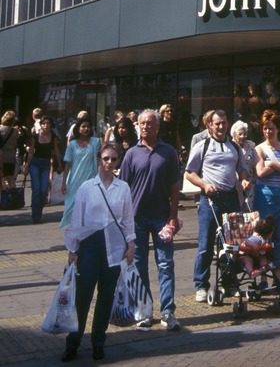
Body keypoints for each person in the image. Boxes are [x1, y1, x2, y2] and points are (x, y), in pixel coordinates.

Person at [61, 141, 135, 363]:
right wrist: (73, 249)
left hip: (114, 247)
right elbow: (77, 220)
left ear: (118, 161)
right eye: (105, 158)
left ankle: (98, 343)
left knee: (106, 296)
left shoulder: (123, 188)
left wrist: (131, 245)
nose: (109, 163)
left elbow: (128, 220)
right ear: (98, 160)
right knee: (82, 297)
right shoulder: (86, 188)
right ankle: (72, 343)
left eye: (113, 159)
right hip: (90, 246)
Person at [119, 108, 181, 331]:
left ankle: (168, 312)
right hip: (136, 220)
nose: (145, 126)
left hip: (162, 219)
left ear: (158, 126)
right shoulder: (131, 154)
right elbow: (122, 188)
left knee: (166, 265)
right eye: (142, 123)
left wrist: (173, 217)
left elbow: (175, 187)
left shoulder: (169, 152)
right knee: (139, 266)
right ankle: (144, 311)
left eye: (149, 123)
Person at [184, 109, 250, 302]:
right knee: (205, 244)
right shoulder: (202, 146)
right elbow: (189, 172)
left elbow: (243, 170)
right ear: (210, 125)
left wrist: (244, 180)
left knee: (232, 244)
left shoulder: (234, 147)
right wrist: (204, 185)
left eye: (223, 123)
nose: (221, 126)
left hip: (231, 198)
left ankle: (228, 282)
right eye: (217, 123)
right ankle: (201, 285)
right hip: (210, 200)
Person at [253, 109, 280, 289]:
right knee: (263, 239)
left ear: (278, 129)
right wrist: (279, 165)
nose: (268, 131)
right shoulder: (259, 149)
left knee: (279, 238)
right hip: (264, 198)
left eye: (271, 128)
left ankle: (277, 277)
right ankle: (262, 279)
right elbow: (260, 172)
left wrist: (271, 163)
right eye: (265, 128)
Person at [60, 120, 101, 228]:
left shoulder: (95, 142)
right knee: (72, 206)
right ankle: (74, 231)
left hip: (90, 178)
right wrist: (64, 183)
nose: (86, 129)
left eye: (88, 126)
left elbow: (99, 161)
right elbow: (68, 164)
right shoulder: (72, 145)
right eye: (83, 126)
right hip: (74, 180)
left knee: (88, 206)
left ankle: (86, 231)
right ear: (78, 129)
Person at [24, 115, 63, 223]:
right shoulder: (35, 137)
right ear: (40, 125)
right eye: (43, 124)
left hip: (46, 164)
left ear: (50, 125)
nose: (45, 126)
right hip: (35, 163)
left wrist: (60, 164)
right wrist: (27, 165)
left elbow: (56, 151)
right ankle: (35, 216)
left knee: (43, 190)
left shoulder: (53, 137)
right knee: (36, 190)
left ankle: (39, 211)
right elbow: (31, 152)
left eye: (47, 124)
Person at [231, 120, 257, 207]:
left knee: (249, 210)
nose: (243, 136)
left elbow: (256, 162)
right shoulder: (229, 146)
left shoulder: (251, 145)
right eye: (240, 134)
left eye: (245, 134)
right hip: (235, 183)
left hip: (250, 182)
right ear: (234, 134)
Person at [1, 110, 20, 191]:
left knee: (2, 179)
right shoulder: (15, 131)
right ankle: (12, 197)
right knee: (11, 178)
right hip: (11, 158)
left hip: (1, 157)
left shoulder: (0, 129)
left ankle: (3, 199)